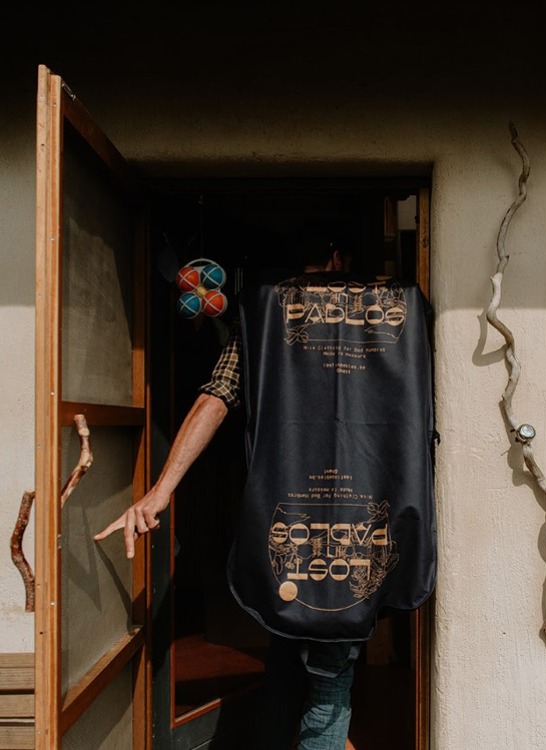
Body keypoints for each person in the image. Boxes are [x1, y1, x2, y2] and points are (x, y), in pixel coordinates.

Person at [94, 233, 359, 749]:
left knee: (287, 647)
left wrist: (160, 491)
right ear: (337, 257)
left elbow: (216, 396)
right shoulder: (374, 321)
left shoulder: (262, 319)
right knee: (329, 669)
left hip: (284, 516)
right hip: (353, 514)